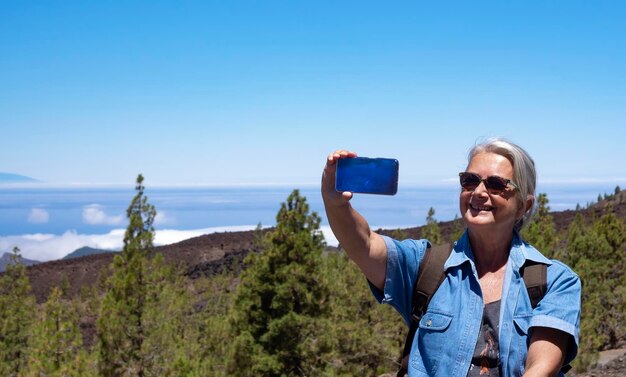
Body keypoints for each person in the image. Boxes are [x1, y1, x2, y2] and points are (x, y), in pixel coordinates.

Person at [321, 138, 581, 377]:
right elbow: (365, 244)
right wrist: (334, 202)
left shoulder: (555, 282)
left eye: (496, 184)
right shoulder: (427, 266)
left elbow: (542, 367)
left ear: (524, 206)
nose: (478, 192)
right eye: (470, 180)